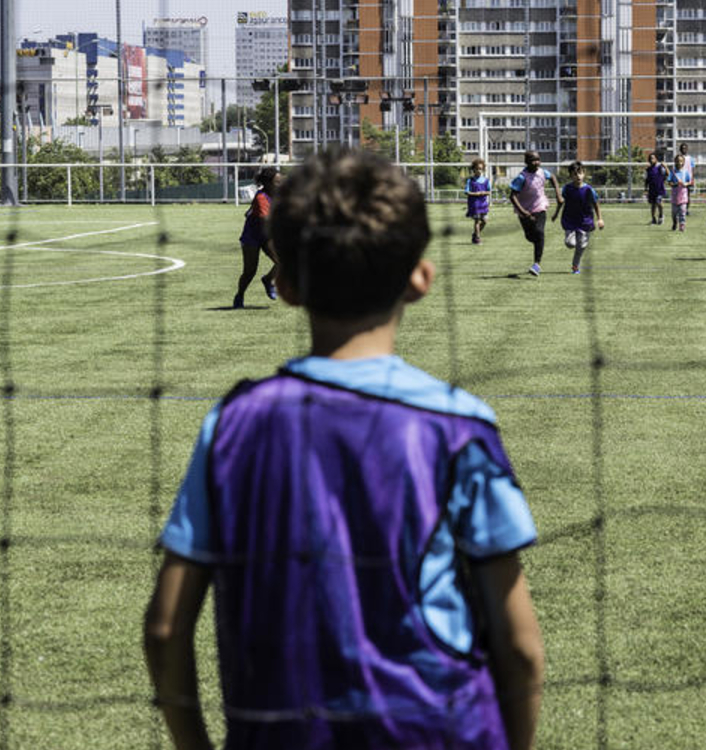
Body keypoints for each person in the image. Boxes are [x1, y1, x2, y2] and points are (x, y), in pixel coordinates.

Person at [144, 148, 545, 750]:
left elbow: (166, 629)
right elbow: (520, 651)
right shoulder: (459, 426)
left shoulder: (234, 423)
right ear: (420, 279)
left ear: (285, 285)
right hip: (437, 731)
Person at [233, 167, 281, 309]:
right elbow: (266, 223)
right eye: (278, 182)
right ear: (268, 183)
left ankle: (267, 280)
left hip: (267, 235)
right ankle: (240, 295)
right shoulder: (261, 198)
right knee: (249, 271)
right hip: (252, 236)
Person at [510, 150, 562, 277]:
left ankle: (537, 264)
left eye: (538, 159)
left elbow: (553, 178)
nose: (536, 162)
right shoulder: (522, 177)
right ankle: (536, 243)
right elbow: (512, 196)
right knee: (530, 237)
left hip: (540, 205)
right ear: (526, 162)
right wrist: (524, 212)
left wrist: (558, 194)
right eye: (533, 160)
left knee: (539, 232)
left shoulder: (542, 172)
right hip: (524, 210)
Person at [552, 161, 605, 274]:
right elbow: (561, 202)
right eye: (575, 174)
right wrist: (556, 214)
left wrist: (599, 218)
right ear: (570, 176)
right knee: (570, 243)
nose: (578, 176)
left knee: (581, 246)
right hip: (570, 220)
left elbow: (596, 203)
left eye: (580, 173)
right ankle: (573, 242)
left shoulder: (588, 190)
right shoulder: (567, 188)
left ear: (584, 174)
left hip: (584, 221)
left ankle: (575, 266)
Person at [465, 157, 491, 245]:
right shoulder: (470, 180)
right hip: (474, 204)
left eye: (480, 169)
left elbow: (489, 191)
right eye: (477, 169)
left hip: (483, 204)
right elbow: (467, 192)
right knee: (477, 220)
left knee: (484, 221)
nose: (479, 170)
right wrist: (476, 194)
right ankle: (477, 238)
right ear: (473, 169)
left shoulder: (486, 180)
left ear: (483, 169)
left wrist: (484, 192)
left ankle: (475, 234)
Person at [668, 154, 693, 232]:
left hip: (683, 196)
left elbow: (690, 182)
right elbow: (669, 182)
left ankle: (682, 224)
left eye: (681, 161)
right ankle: (675, 222)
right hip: (675, 196)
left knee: (682, 211)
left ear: (683, 162)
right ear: (675, 162)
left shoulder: (685, 173)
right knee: (674, 213)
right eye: (677, 161)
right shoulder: (673, 172)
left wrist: (686, 184)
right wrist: (675, 184)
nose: (679, 163)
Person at [644, 152, 668, 225]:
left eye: (653, 158)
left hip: (659, 189)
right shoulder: (648, 169)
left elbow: (667, 174)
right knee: (653, 204)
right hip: (652, 189)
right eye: (650, 159)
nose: (651, 160)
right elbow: (646, 180)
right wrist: (645, 189)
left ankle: (661, 216)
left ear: (656, 159)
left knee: (659, 202)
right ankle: (653, 219)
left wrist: (666, 167)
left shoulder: (660, 167)